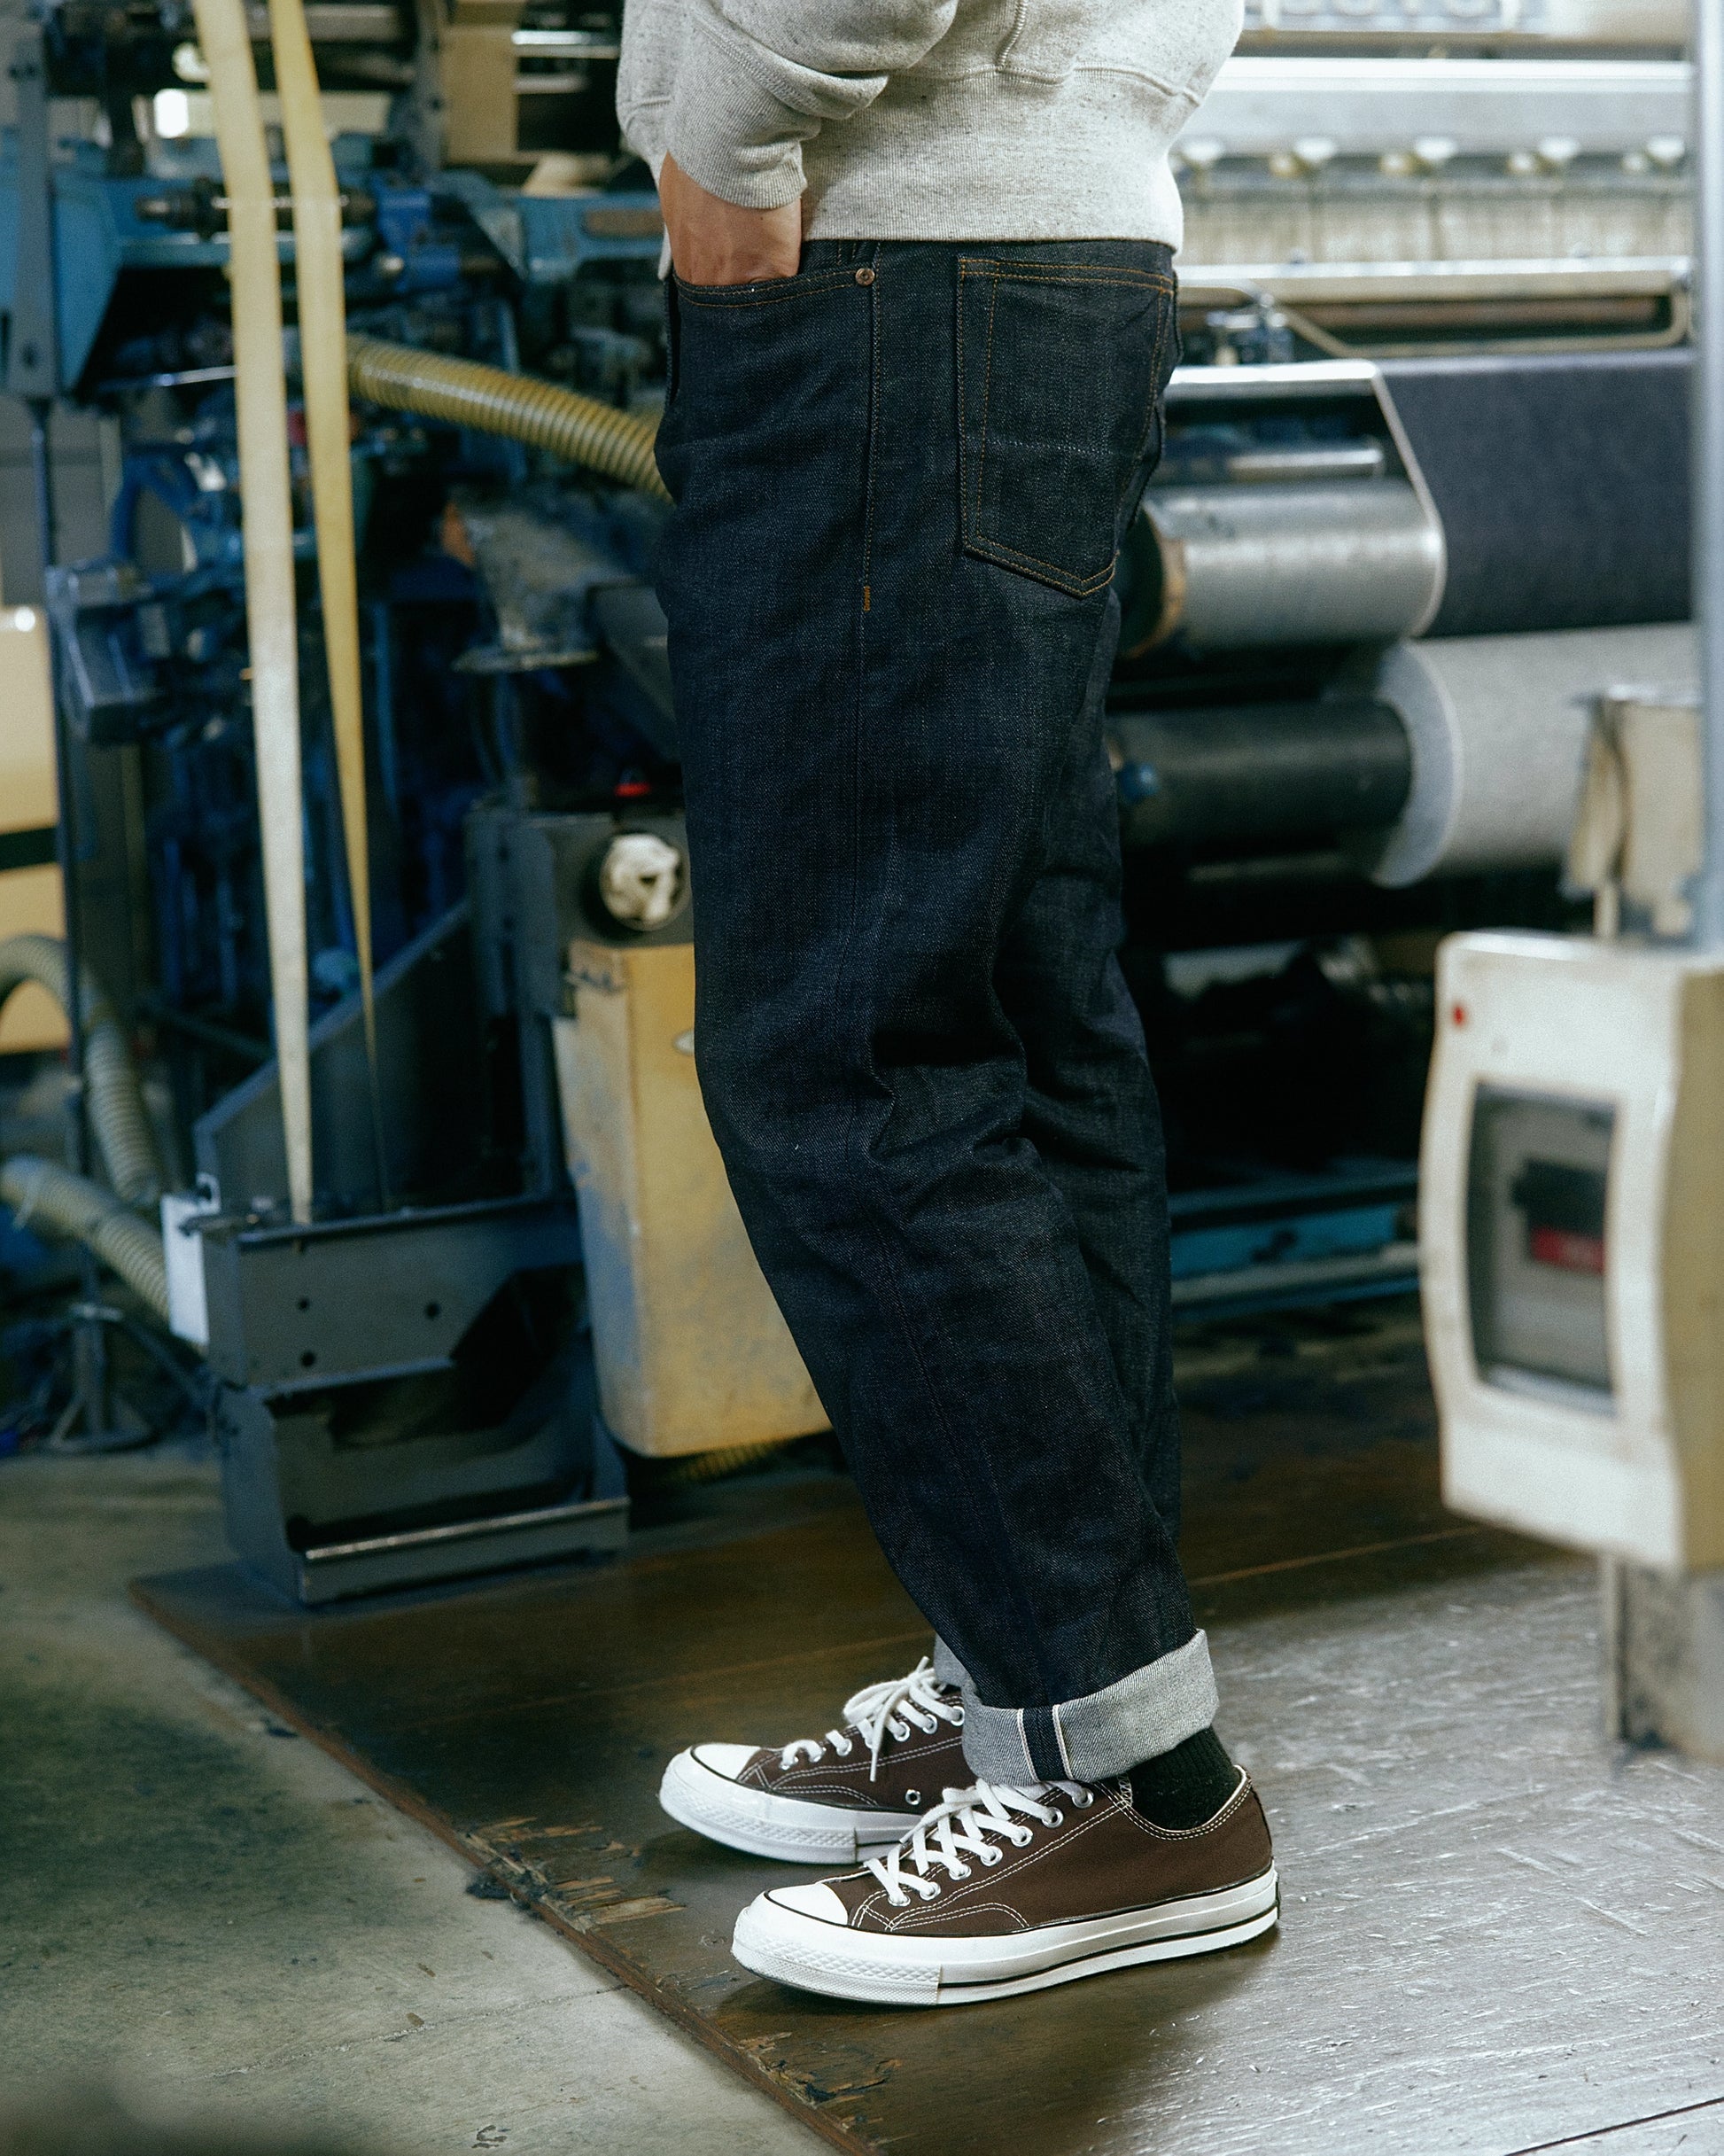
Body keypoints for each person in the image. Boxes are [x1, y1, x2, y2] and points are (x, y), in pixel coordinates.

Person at [619, 0, 1276, 2007]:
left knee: (851, 1046)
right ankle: (1042, 1672)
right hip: (1042, 240)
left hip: (887, 253)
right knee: (1005, 1004)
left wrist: (727, 138)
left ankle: (1119, 1767)